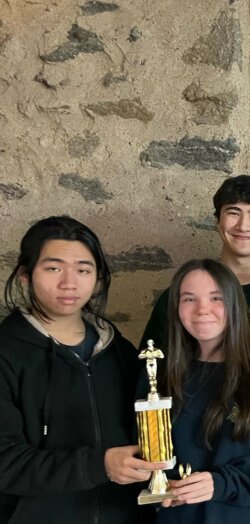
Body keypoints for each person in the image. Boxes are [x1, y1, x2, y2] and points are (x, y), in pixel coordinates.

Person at [0, 216, 163, 523]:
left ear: (97, 277)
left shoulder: (118, 350)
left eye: (83, 270)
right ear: (25, 274)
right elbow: (5, 462)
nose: (69, 282)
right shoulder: (7, 352)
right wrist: (99, 465)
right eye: (53, 268)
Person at [154, 259, 250, 523]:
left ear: (234, 304)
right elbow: (145, 451)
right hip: (179, 516)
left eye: (216, 298)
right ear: (176, 307)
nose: (203, 309)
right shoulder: (157, 370)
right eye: (189, 299)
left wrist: (222, 483)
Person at [140, 175, 250, 352]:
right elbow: (151, 367)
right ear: (217, 221)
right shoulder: (182, 296)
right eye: (233, 213)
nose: (243, 226)